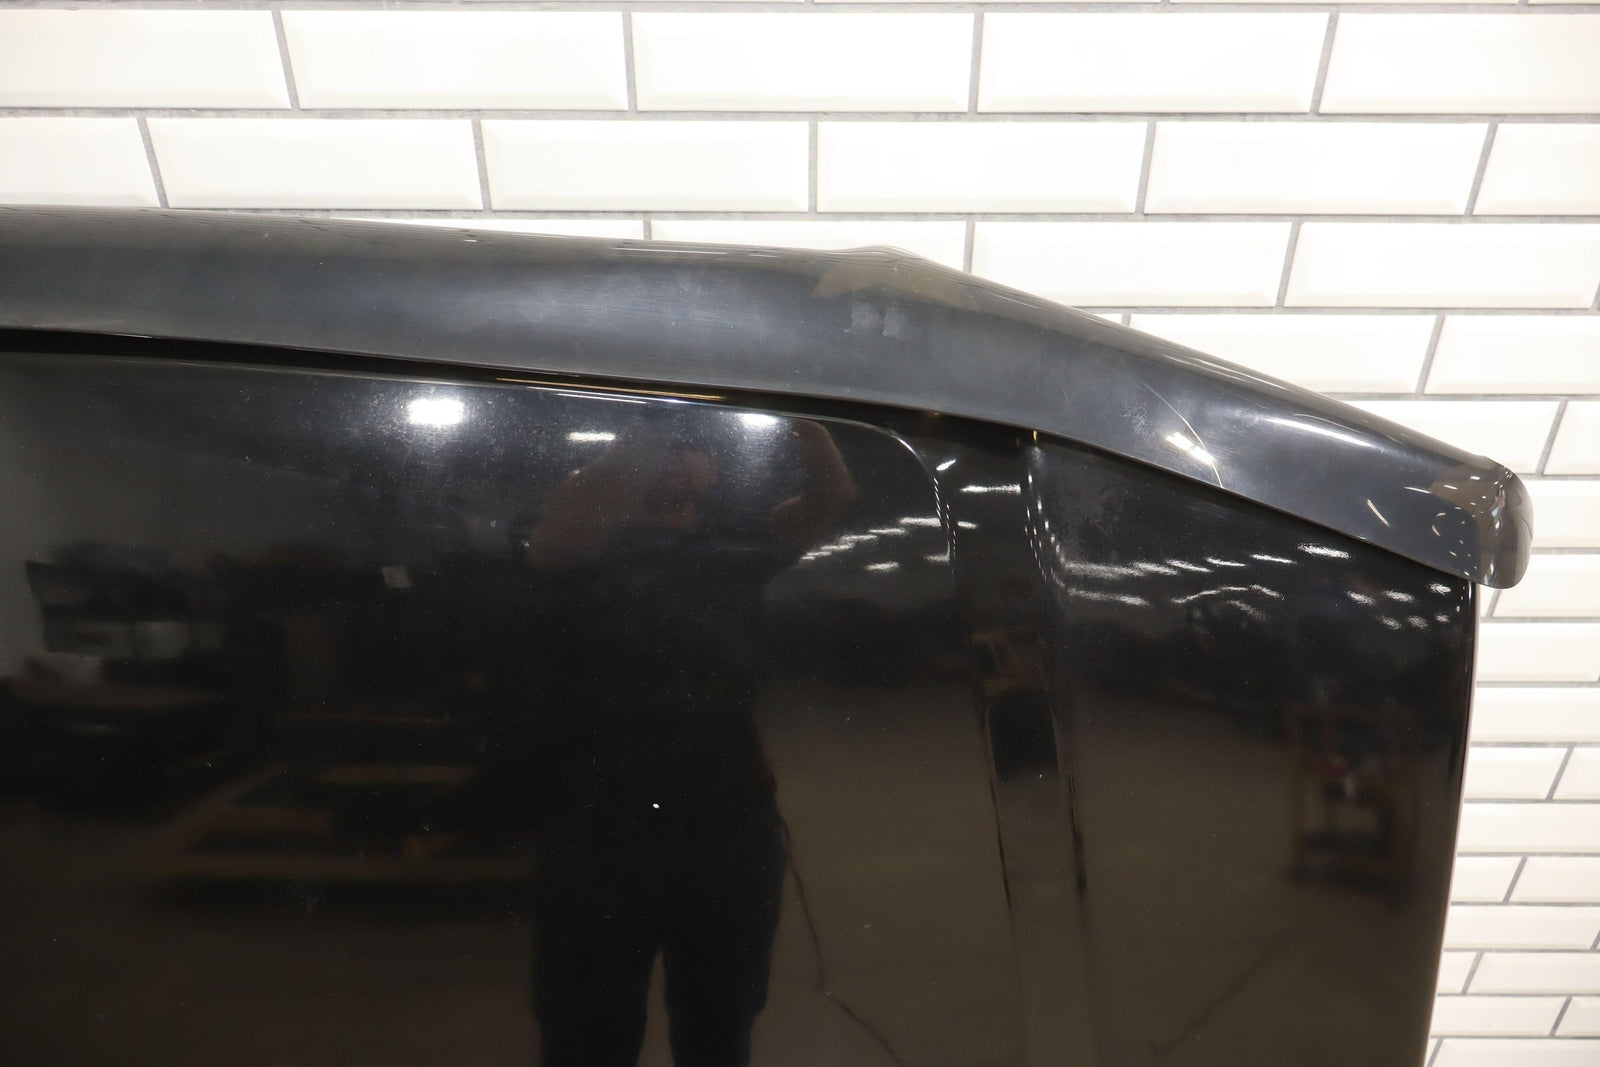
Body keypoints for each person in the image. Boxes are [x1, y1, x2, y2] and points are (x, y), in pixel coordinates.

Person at [518, 413, 857, 1067]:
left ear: (714, 474)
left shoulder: (737, 546)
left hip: (725, 821)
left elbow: (831, 497)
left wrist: (806, 419)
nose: (678, 455)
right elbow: (563, 528)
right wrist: (652, 424)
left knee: (720, 1024)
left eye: (694, 448)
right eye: (665, 446)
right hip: (599, 824)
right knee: (585, 1029)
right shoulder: (581, 542)